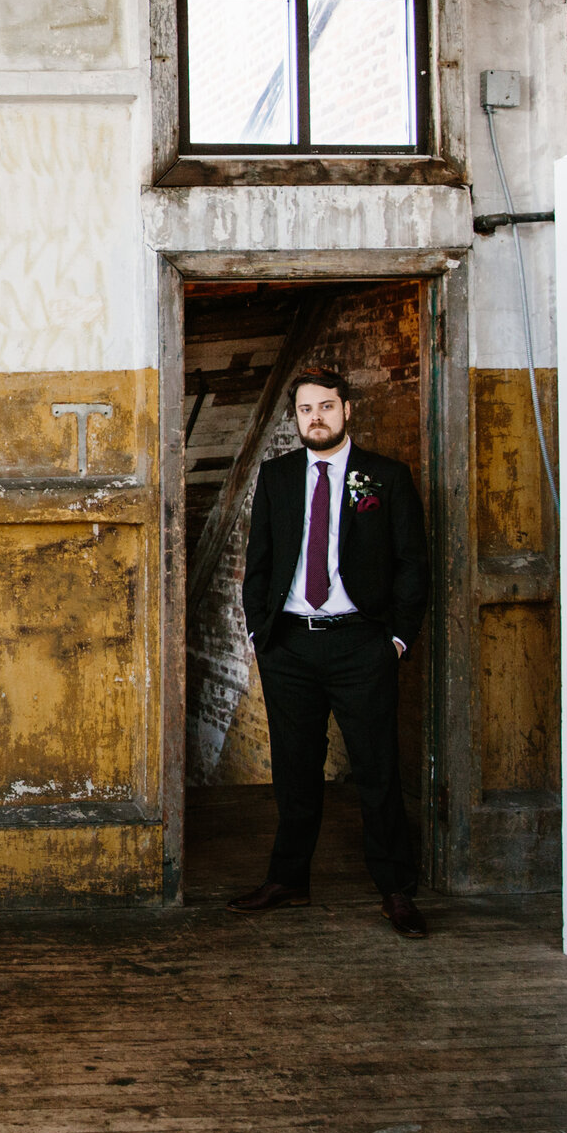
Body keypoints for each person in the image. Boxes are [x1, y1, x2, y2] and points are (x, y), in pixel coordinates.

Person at [227, 367, 431, 938]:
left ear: (347, 411)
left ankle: (395, 890)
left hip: (360, 645)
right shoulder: (278, 476)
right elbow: (260, 559)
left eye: (326, 407)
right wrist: (257, 634)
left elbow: (413, 564)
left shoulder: (385, 477)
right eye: (304, 409)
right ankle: (288, 879)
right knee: (293, 770)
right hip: (289, 644)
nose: (314, 417)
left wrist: (395, 639)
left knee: (376, 769)